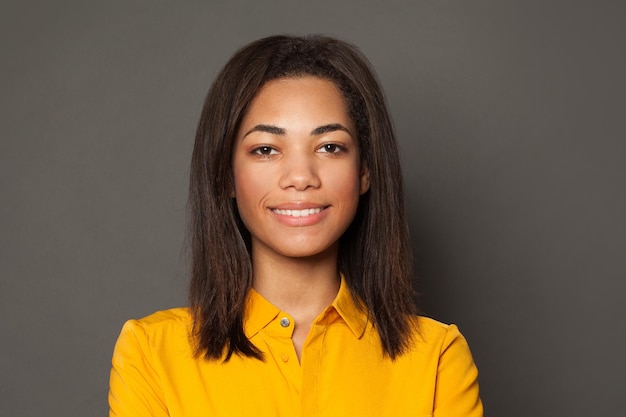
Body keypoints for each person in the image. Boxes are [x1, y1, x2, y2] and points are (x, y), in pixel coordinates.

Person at [108, 35, 483, 417]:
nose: (301, 177)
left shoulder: (436, 357)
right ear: (225, 176)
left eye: (330, 147)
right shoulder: (152, 353)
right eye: (266, 149)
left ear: (365, 171)